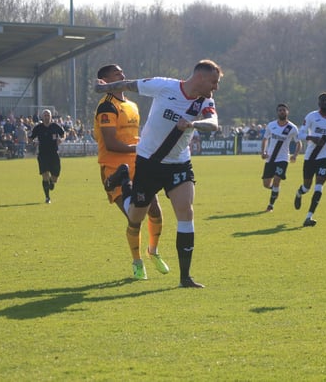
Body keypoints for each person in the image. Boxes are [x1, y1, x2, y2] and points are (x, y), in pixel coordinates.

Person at [95, 59, 222, 288]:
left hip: (179, 163)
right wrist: (103, 88)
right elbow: (131, 84)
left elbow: (213, 123)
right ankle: (124, 182)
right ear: (201, 77)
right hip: (148, 162)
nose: (216, 87)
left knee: (186, 213)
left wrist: (194, 125)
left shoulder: (205, 101)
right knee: (136, 219)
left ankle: (185, 277)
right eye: (214, 82)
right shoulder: (165, 86)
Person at [93, 64, 168, 280]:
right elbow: (110, 143)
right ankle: (137, 262)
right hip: (114, 167)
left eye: (122, 72)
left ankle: (153, 252)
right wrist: (140, 147)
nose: (122, 75)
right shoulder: (107, 106)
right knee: (135, 217)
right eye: (116, 74)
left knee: (155, 210)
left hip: (139, 165)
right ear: (105, 81)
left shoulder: (132, 105)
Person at [293, 93, 326, 227]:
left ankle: (309, 217)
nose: (325, 102)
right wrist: (312, 138)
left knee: (319, 186)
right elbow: (300, 134)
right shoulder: (311, 116)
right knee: (306, 187)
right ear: (318, 103)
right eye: (322, 100)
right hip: (311, 157)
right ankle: (299, 193)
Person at [261, 103, 301, 212]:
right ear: (277, 112)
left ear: (287, 112)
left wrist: (295, 155)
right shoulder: (271, 125)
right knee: (266, 184)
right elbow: (265, 139)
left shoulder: (292, 128)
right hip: (270, 158)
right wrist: (263, 151)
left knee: (277, 180)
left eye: (284, 110)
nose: (282, 112)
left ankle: (270, 206)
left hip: (283, 159)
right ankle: (275, 190)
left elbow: (298, 143)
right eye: (280, 110)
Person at [29, 109, 65, 203]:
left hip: (54, 154)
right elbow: (30, 138)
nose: (46, 117)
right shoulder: (38, 128)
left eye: (48, 115)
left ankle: (52, 181)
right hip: (43, 154)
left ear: (51, 117)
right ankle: (47, 198)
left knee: (55, 178)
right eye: (45, 115)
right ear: (42, 117)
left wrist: (61, 139)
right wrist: (33, 143)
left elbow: (63, 134)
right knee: (44, 175)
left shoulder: (55, 126)